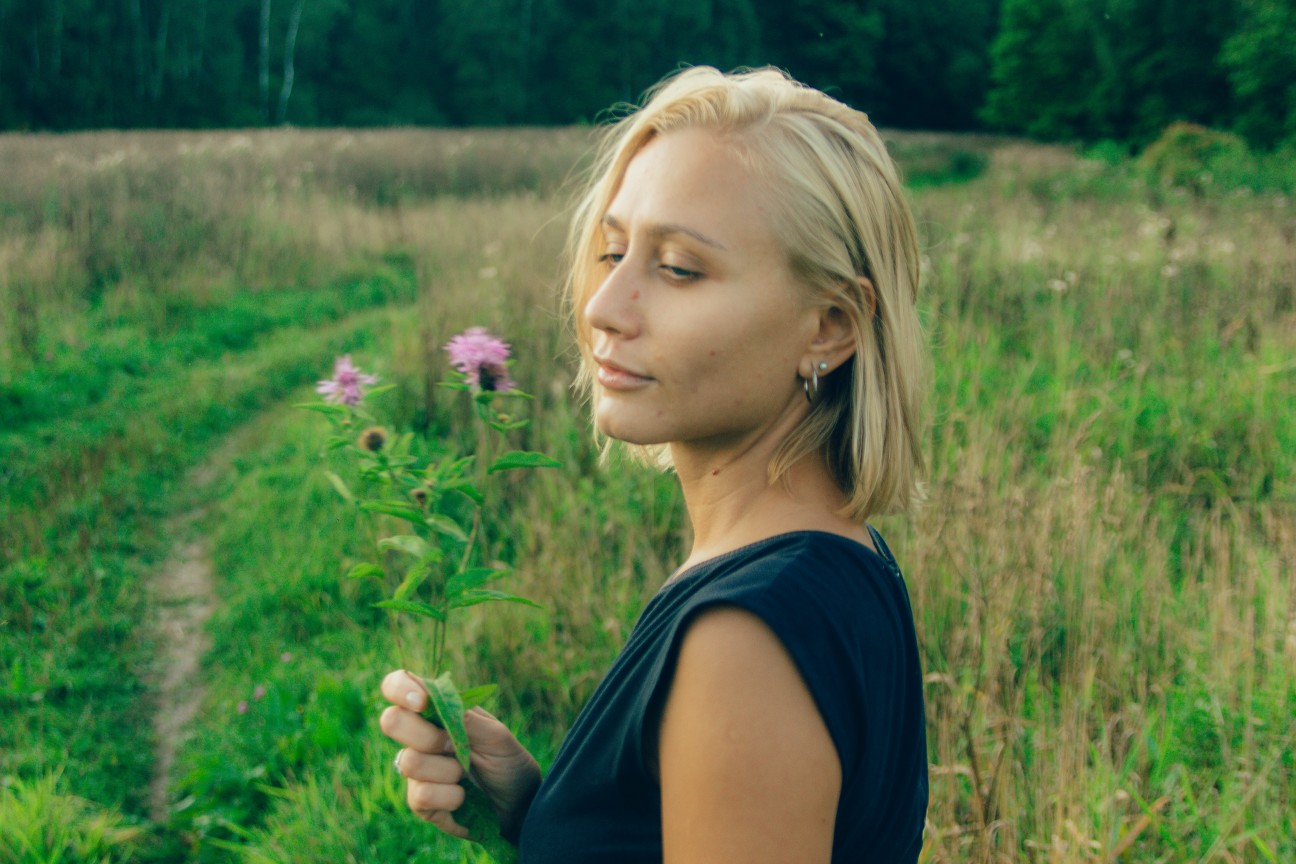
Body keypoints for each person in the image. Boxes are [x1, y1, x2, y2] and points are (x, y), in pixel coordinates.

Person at [379, 65, 929, 863]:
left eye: (677, 268)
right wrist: (546, 815)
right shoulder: (837, 562)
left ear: (830, 327)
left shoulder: (746, 633)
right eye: (612, 251)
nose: (604, 306)